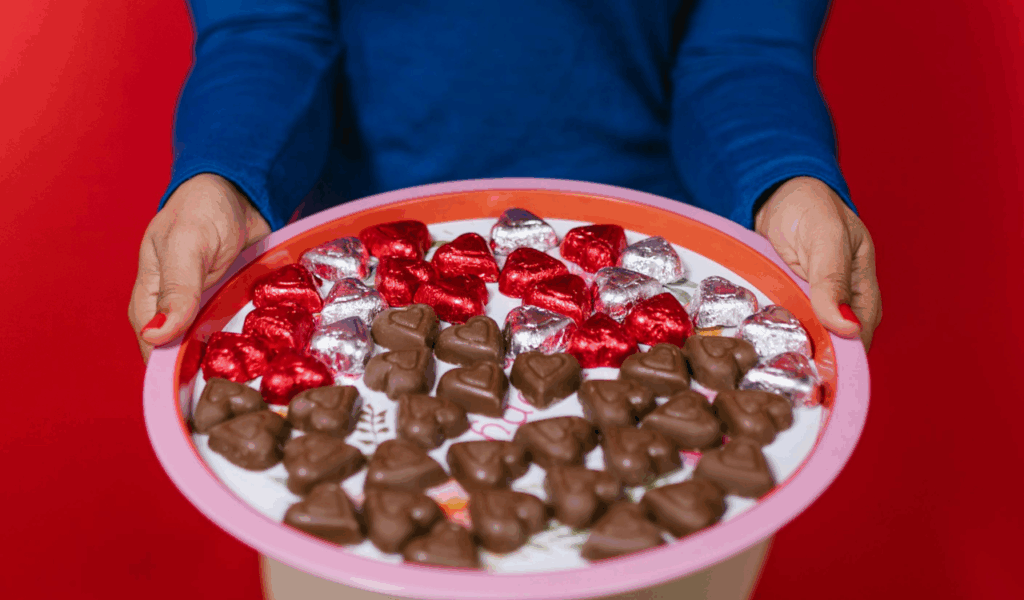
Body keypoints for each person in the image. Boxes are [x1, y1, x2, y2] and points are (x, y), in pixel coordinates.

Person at [127, 0, 882, 597]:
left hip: (652, 298)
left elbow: (745, 46)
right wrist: (226, 176)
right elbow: (265, 25)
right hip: (379, 293)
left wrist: (783, 179)